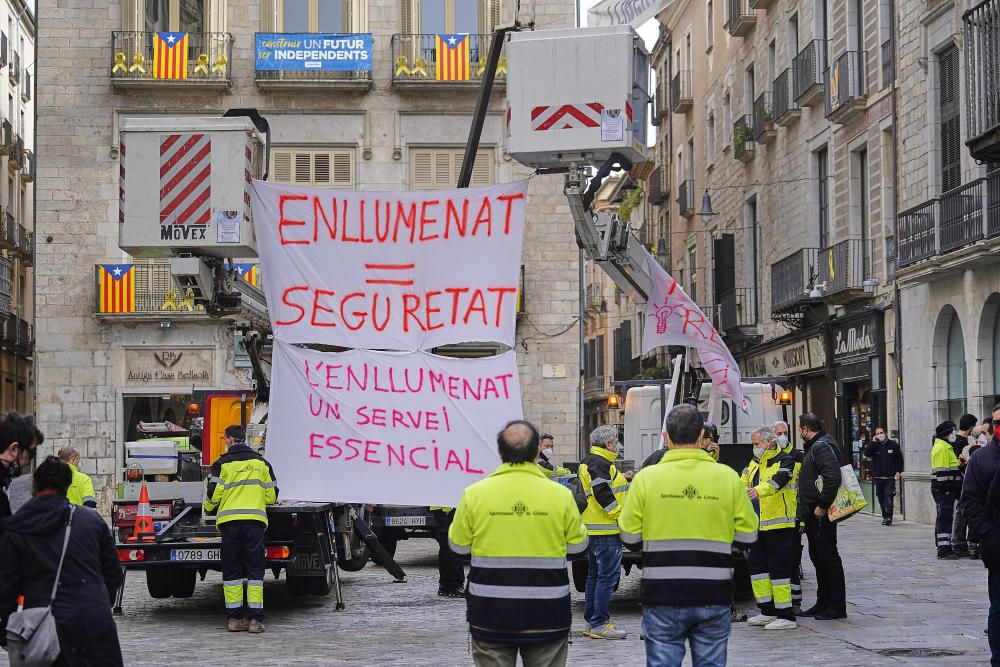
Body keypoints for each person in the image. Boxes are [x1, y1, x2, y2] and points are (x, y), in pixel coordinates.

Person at [619, 404, 758, 666]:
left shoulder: (646, 479)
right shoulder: (727, 477)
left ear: (667, 438)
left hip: (662, 592)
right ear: (700, 438)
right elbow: (749, 536)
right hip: (713, 591)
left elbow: (628, 536)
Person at [448, 420, 588, 667]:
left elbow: (458, 547)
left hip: (489, 612)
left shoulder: (474, 494)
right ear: (537, 452)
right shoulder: (560, 496)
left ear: (500, 452)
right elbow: (578, 548)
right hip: (547, 613)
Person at [0, 456, 124, 665]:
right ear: (67, 485)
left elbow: (7, 587)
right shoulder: (91, 521)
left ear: (34, 485)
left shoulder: (17, 528)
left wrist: (6, 628)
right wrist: (100, 602)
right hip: (94, 622)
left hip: (42, 626)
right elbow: (114, 574)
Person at [204, 424, 278, 633]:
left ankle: (235, 619)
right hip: (254, 523)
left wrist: (208, 508)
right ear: (243, 439)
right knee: (255, 571)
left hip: (229, 525)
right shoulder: (262, 463)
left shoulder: (222, 464)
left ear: (228, 440)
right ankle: (255, 621)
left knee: (232, 571)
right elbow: (271, 496)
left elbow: (213, 495)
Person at [741, 426, 799, 630]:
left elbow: (778, 482)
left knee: (780, 570)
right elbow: (742, 481)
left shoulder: (785, 459)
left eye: (756, 443)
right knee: (757, 568)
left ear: (768, 442)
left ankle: (786, 615)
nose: (754, 447)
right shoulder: (755, 463)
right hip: (757, 525)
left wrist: (756, 490)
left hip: (779, 524)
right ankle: (767, 610)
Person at [578, 424, 630, 640]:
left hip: (593, 529)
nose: (617, 444)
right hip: (606, 531)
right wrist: (620, 515)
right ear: (608, 443)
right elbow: (602, 493)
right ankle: (599, 623)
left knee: (594, 576)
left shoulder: (591, 461)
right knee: (606, 578)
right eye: (616, 441)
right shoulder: (600, 463)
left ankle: (592, 622)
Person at [796, 413, 848, 620]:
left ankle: (836, 606)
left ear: (806, 429)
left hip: (820, 514)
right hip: (812, 514)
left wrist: (822, 505)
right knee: (818, 557)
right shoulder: (816, 446)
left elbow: (832, 477)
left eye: (801, 429)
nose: (800, 433)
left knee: (828, 557)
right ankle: (823, 601)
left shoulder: (821, 446)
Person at [959, 403, 1000, 665]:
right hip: (998, 544)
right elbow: (969, 502)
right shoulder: (982, 459)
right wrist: (988, 534)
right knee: (999, 608)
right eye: (996, 422)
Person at [772, 419, 804, 611]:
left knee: (793, 561)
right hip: (776, 517)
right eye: (778, 433)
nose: (782, 436)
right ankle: (783, 600)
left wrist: (802, 517)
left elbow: (803, 489)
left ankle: (796, 602)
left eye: (784, 432)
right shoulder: (771, 457)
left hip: (794, 516)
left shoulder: (798, 456)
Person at [931, 420, 963, 560]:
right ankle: (943, 549)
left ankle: (944, 547)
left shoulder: (945, 447)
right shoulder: (941, 448)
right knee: (944, 518)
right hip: (944, 490)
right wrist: (951, 489)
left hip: (946, 489)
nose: (954, 433)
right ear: (946, 433)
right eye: (953, 431)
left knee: (944, 517)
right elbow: (942, 474)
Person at [863, 426, 904, 526]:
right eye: (877, 433)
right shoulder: (874, 446)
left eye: (881, 432)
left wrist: (899, 471)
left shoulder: (893, 445)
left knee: (888, 496)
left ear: (885, 433)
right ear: (875, 435)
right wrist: (872, 442)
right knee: (881, 497)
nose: (879, 435)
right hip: (878, 477)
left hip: (890, 477)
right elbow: (866, 453)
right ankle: (884, 515)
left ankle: (889, 517)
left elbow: (899, 459)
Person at [954, 414, 980, 556]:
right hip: (963, 481)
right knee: (961, 513)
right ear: (970, 427)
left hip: (958, 481)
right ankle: (959, 542)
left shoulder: (954, 441)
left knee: (960, 513)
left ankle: (959, 542)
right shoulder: (963, 443)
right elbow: (961, 463)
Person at [642, 422, 720, 468]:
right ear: (701, 440)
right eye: (712, 439)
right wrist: (713, 460)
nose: (714, 443)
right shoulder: (698, 462)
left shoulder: (657, 455)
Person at [429, 505, 466, 597]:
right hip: (448, 510)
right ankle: (455, 586)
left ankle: (444, 586)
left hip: (440, 509)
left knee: (445, 548)